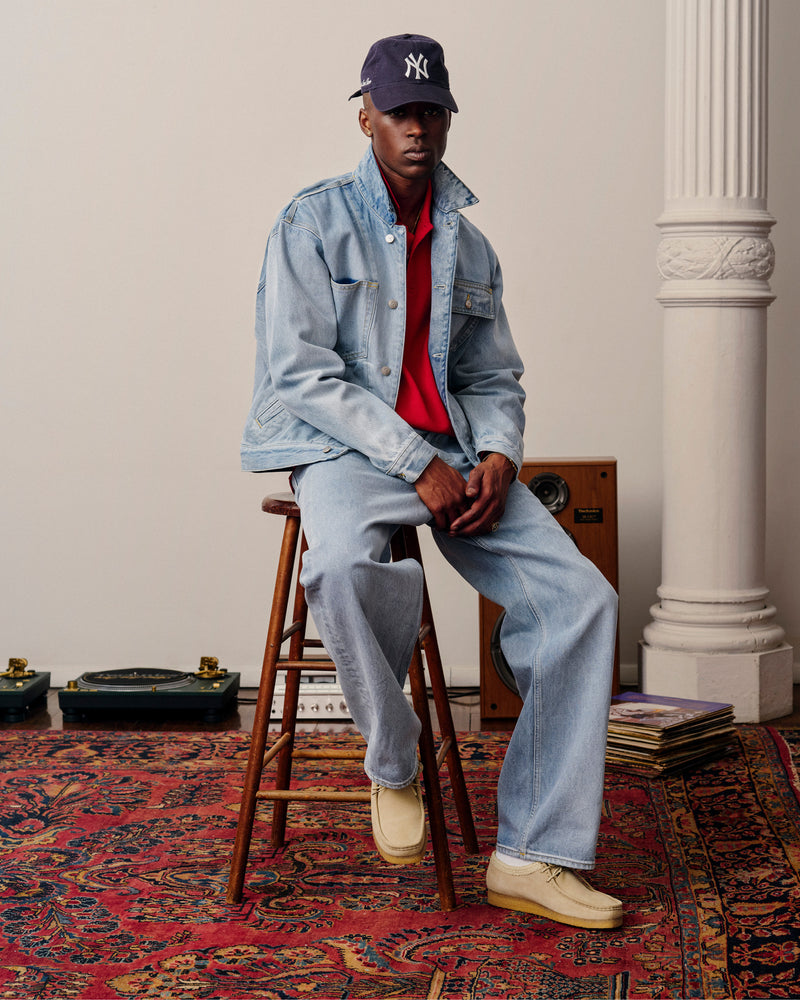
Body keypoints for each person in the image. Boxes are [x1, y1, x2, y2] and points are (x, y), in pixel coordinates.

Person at [242, 33, 622, 930]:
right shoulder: (310, 222)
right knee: (339, 569)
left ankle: (533, 854)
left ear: (449, 119)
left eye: (433, 112)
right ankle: (395, 759)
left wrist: (495, 456)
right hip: (345, 454)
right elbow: (299, 373)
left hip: (454, 460)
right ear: (364, 114)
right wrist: (416, 463)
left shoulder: (469, 243)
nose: (418, 128)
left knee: (582, 602)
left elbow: (493, 377)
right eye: (402, 111)